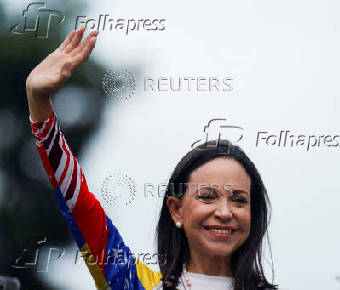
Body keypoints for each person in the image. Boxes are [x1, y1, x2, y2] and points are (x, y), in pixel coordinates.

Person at [25, 26, 278, 290]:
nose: (224, 212)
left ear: (253, 215)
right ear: (176, 209)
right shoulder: (133, 283)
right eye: (207, 196)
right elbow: (77, 202)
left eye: (239, 200)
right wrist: (38, 102)